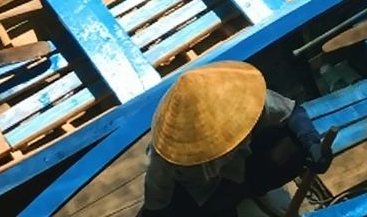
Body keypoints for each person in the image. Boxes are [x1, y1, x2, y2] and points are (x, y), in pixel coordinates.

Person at [138, 61, 330, 217]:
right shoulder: (165, 158)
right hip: (200, 199)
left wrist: (312, 143)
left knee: (292, 143)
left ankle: (252, 190)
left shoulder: (236, 98)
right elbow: (156, 206)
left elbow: (292, 113)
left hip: (244, 170)